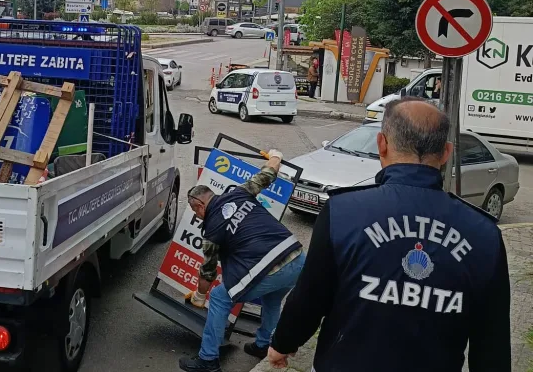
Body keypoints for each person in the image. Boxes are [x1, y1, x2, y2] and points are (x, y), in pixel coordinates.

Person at [268, 97, 511, 372]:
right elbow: (492, 341)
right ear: (446, 153)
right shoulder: (484, 235)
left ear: (381, 144)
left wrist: (284, 342)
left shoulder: (343, 212)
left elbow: (311, 296)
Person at [179, 150, 306, 372]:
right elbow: (268, 174)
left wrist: (199, 297)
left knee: (219, 298)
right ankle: (263, 344)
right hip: (297, 258)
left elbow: (208, 273)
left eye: (193, 210)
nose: (196, 215)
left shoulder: (211, 230)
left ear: (199, 204)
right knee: (272, 299)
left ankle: (208, 360)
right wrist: (276, 156)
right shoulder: (239, 193)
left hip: (271, 266)